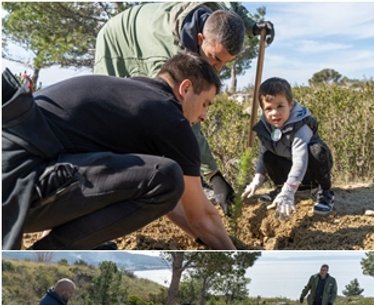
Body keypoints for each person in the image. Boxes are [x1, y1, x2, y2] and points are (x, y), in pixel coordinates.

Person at [2, 53, 236, 250]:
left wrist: (201, 238)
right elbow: (201, 215)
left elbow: (166, 200)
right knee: (168, 176)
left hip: (17, 176)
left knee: (163, 179)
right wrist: (231, 252)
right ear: (185, 88)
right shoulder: (171, 118)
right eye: (206, 103)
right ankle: (46, 253)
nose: (204, 116)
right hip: (17, 190)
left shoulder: (131, 96)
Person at [95, 2, 273, 214]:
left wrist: (253, 26)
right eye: (215, 58)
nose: (217, 69)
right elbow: (184, 120)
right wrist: (214, 175)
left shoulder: (217, 10)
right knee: (113, 113)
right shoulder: (170, 60)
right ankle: (108, 192)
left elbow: (231, 5)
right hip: (118, 38)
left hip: (151, 25)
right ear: (200, 39)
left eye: (226, 62)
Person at [242, 77, 335, 218]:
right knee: (269, 156)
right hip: (290, 168)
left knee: (317, 151)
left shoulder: (300, 125)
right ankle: (280, 189)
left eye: (280, 106)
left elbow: (300, 160)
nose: (274, 113)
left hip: (310, 170)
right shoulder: (266, 126)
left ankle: (325, 192)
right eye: (268, 108)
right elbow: (264, 152)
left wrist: (289, 191)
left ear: (290, 105)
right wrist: (257, 179)